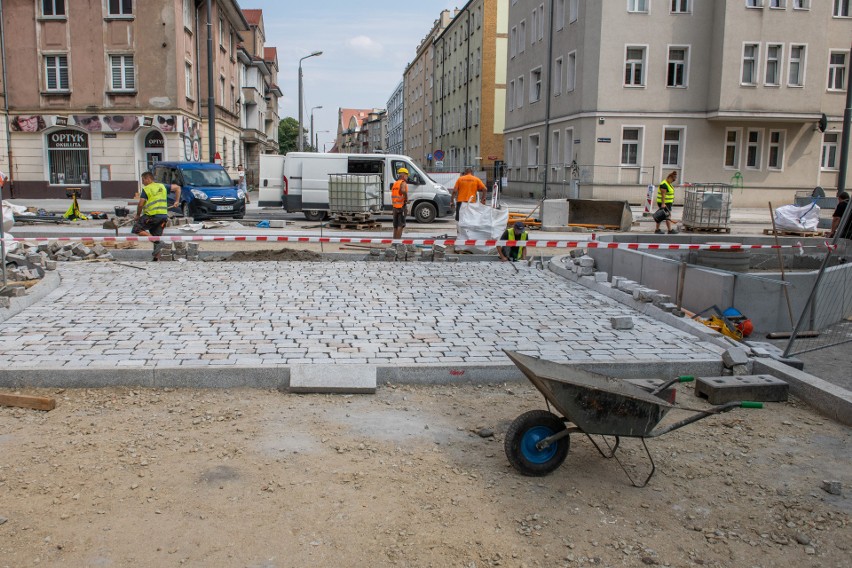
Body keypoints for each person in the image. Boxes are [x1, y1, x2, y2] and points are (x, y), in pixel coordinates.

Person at [133, 171, 181, 261]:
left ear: (148, 179)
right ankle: (156, 259)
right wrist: (177, 201)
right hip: (163, 217)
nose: (142, 182)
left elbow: (140, 204)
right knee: (156, 235)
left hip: (152, 216)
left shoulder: (147, 189)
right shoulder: (162, 186)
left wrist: (138, 215)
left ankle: (156, 242)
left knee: (137, 229)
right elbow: (177, 188)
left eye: (143, 180)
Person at [828, 191, 851, 262]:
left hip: (847, 231)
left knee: (840, 241)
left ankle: (842, 258)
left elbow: (836, 219)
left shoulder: (842, 205)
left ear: (840, 198)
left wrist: (832, 231)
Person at [654, 170, 679, 235]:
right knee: (666, 216)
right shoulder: (664, 184)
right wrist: (663, 203)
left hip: (667, 203)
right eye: (673, 180)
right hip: (664, 203)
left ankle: (658, 229)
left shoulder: (668, 184)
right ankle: (669, 230)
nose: (673, 181)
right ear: (670, 177)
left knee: (662, 216)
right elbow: (663, 194)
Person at [391, 167, 409, 240]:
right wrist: (406, 198)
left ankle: (394, 243)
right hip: (401, 207)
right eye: (407, 175)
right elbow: (403, 191)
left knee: (395, 226)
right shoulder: (403, 183)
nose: (407, 177)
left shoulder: (395, 183)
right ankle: (398, 243)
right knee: (400, 225)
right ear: (403, 175)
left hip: (395, 207)